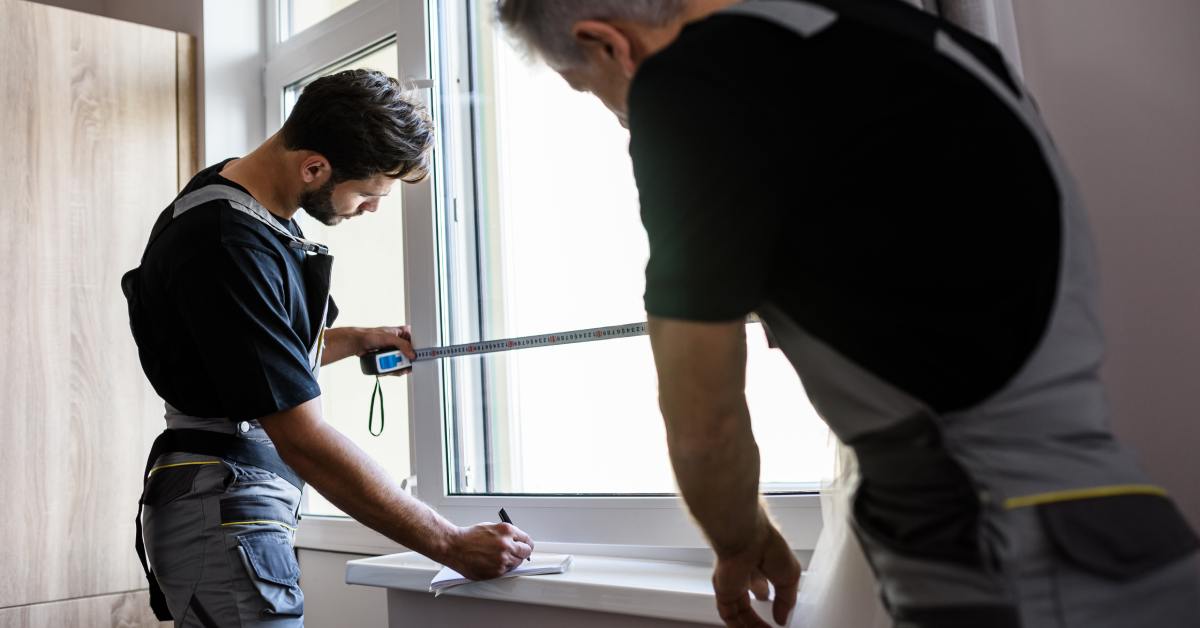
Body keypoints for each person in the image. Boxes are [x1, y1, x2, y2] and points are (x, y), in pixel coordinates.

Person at [494, 1, 1200, 627]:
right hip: (1110, 527)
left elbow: (704, 417)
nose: (621, 115)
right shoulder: (902, 34)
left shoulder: (692, 80)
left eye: (596, 92)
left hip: (992, 545)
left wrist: (737, 539)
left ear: (608, 43)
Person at [122, 69, 533, 626]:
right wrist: (451, 543)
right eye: (367, 193)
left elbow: (248, 353)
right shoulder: (227, 243)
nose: (370, 209)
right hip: (221, 504)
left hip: (227, 500)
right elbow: (305, 441)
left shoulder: (233, 199)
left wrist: (355, 340)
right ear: (313, 167)